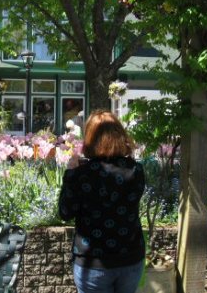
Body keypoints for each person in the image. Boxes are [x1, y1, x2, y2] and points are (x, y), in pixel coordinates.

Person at [58, 110, 145, 293]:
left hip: (93, 262)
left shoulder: (82, 175)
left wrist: (70, 175)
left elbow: (65, 212)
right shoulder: (136, 171)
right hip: (130, 256)